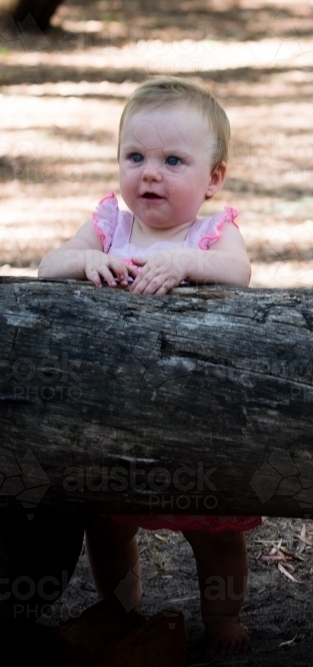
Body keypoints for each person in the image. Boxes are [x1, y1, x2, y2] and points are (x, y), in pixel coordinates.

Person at [38, 76, 257, 655]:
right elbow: (46, 268)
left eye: (172, 160)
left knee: (215, 532)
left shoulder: (212, 232)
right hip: (119, 415)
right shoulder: (110, 223)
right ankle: (120, 611)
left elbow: (240, 273)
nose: (149, 173)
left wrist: (189, 261)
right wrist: (86, 259)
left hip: (196, 414)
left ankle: (224, 620)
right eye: (134, 156)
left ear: (214, 178)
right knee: (109, 525)